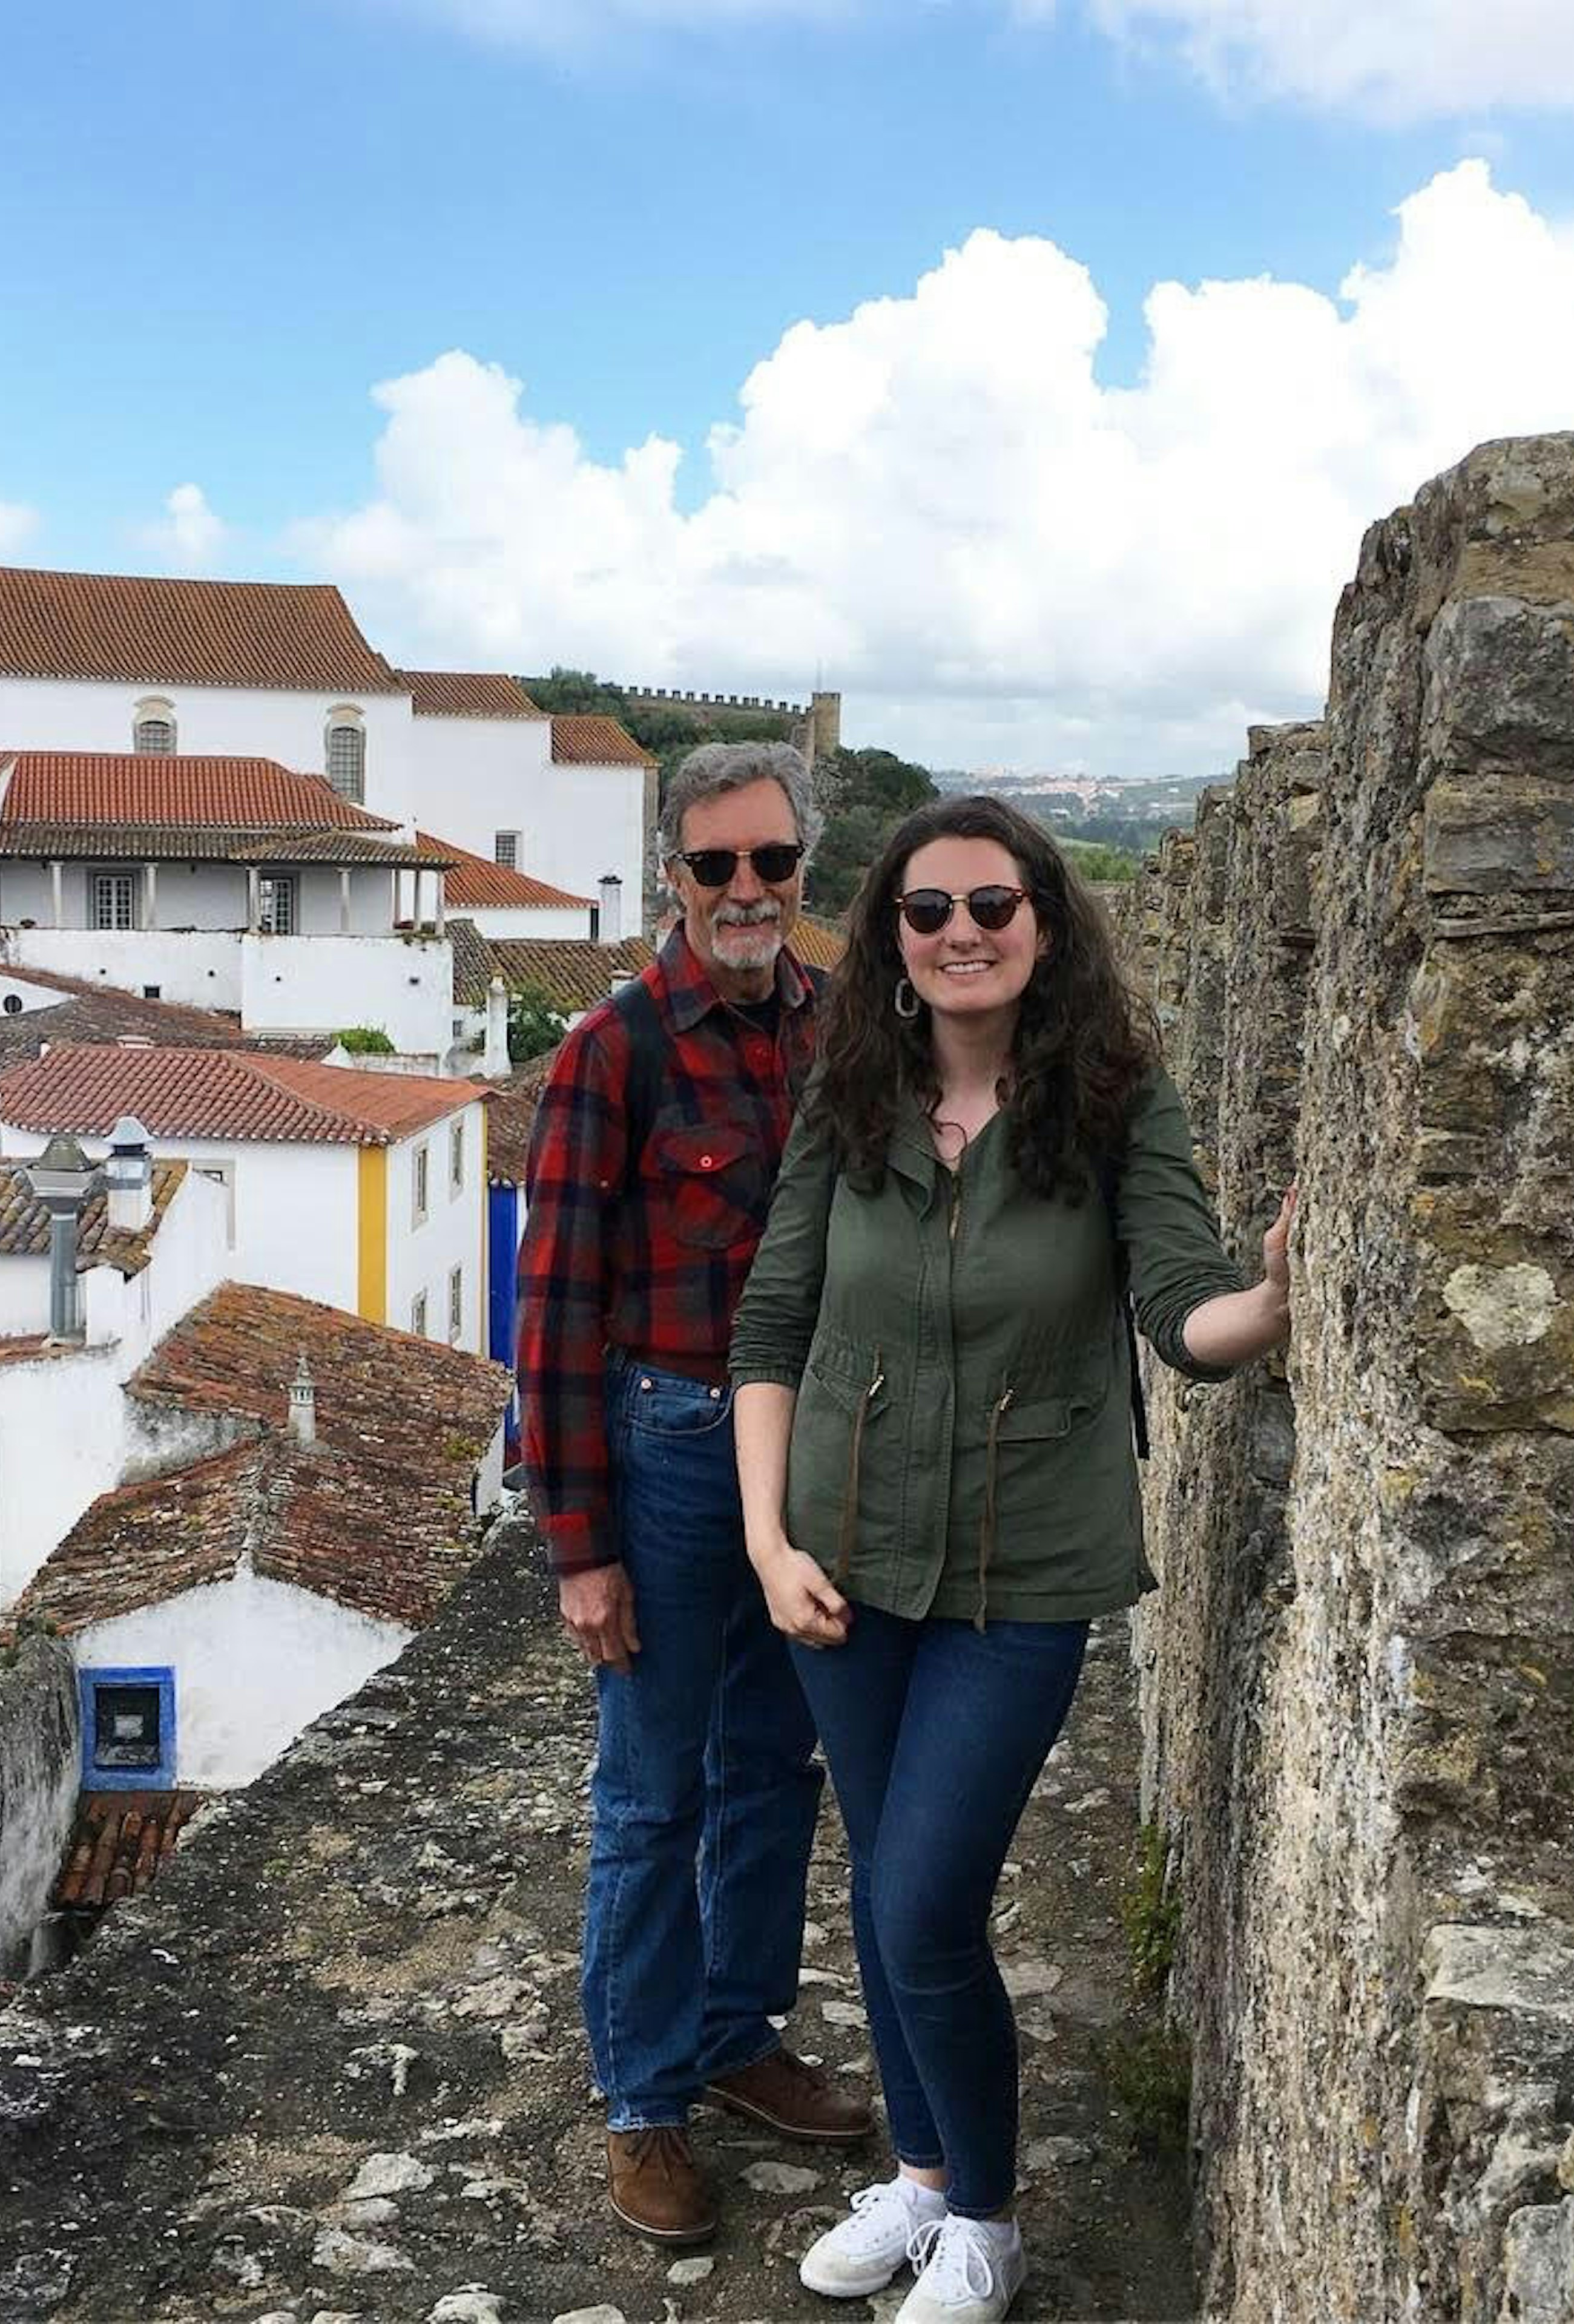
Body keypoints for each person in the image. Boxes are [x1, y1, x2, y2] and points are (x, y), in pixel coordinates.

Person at [729, 795, 1292, 2324]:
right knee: (887, 1890)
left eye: (993, 905)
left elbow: (1183, 1306)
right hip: (841, 1562)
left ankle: (986, 2218)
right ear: (891, 943)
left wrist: (1272, 1306)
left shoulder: (1114, 1105)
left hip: (1025, 1570)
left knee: (921, 1904)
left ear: (1045, 925)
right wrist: (768, 1542)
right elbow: (774, 1325)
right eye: (928, 911)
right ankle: (919, 2176)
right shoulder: (847, 1102)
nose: (962, 932)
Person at [516, 740, 875, 2248]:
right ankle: (645, 2100)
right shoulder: (617, 1049)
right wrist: (580, 1549)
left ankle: (735, 2035)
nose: (747, 892)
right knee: (654, 1794)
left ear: (805, 873)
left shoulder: (848, 1025)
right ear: (674, 870)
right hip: (667, 1446)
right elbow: (551, 1311)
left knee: (773, 1769)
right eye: (717, 864)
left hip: (802, 1455)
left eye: (773, 864)